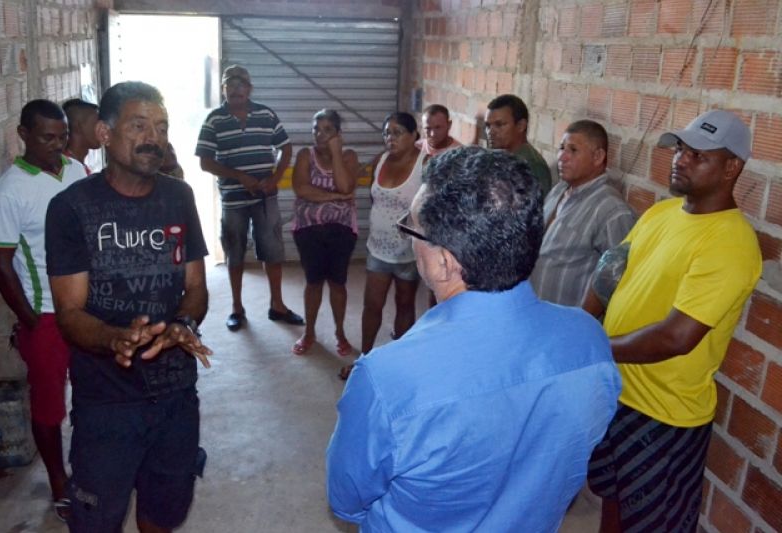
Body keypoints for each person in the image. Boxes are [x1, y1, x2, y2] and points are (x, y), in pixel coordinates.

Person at [326, 146, 621, 531]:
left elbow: (347, 501)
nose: (409, 238)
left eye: (411, 228)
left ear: (443, 262)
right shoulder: (589, 342)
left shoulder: (385, 379)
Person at [583, 110, 762, 532]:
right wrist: (578, 324)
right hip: (617, 390)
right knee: (612, 505)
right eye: (680, 149)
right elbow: (611, 271)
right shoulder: (661, 213)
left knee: (651, 523)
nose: (681, 159)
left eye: (698, 155)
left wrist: (589, 348)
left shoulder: (731, 242)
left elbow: (677, 337)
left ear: (731, 168)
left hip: (662, 415)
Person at [45, 81, 212, 532]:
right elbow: (69, 313)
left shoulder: (179, 197)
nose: (153, 138)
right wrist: (113, 338)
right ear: (104, 133)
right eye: (139, 126)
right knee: (97, 519)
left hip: (176, 395)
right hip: (107, 402)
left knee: (163, 513)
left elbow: (196, 285)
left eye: (161, 127)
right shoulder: (71, 208)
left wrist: (183, 323)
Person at [0, 99, 87, 522]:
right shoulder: (10, 189)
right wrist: (30, 320)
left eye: (62, 136)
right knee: (49, 407)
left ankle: (89, 468)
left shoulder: (76, 170)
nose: (57, 145)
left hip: (86, 306)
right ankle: (59, 481)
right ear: (23, 135)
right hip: (45, 313)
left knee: (93, 395)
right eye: (47, 138)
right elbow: (1, 263)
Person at [196, 64, 301, 331]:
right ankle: (237, 308)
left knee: (272, 252)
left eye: (240, 84)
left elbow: (286, 147)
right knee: (235, 254)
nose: (235, 89)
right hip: (233, 200)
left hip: (265, 198)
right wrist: (238, 176)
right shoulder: (214, 120)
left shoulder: (266, 114)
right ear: (223, 89)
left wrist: (275, 178)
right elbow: (205, 162)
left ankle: (277, 305)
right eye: (230, 85)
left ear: (249, 88)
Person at [341, 112, 425, 380]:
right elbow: (374, 198)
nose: (390, 138)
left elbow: (431, 205)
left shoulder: (425, 164)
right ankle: (364, 360)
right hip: (378, 248)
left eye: (397, 133)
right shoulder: (380, 161)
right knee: (372, 304)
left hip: (408, 252)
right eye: (387, 133)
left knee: (405, 304)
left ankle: (400, 364)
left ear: (414, 135)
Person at [530, 120, 636, 306]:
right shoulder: (559, 190)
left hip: (569, 319)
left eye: (573, 150)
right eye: (561, 148)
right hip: (535, 310)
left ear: (598, 157)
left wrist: (583, 317)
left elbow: (616, 278)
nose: (562, 157)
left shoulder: (612, 210)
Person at [290, 109, 360, 356]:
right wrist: (336, 197)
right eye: (316, 129)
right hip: (308, 229)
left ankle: (340, 332)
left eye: (328, 130)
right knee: (313, 282)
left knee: (338, 283)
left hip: (341, 230)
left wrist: (336, 153)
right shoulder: (304, 155)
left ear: (338, 134)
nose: (320, 135)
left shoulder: (349, 157)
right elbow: (301, 189)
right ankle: (309, 332)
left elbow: (345, 185)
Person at [484, 94, 551, 196]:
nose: (490, 132)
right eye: (488, 126)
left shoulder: (532, 166)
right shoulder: (496, 156)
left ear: (521, 126)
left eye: (499, 125)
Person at [62, 98, 100, 175]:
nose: (102, 129)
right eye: (96, 124)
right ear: (78, 127)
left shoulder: (81, 168)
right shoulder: (64, 168)